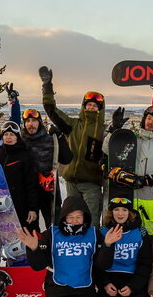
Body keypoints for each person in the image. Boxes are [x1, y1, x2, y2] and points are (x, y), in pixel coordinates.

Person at [21, 196, 101, 297]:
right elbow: (38, 266)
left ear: (85, 217)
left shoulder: (93, 234)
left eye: (78, 217)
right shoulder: (52, 234)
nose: (75, 221)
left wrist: (108, 245)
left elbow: (101, 264)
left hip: (84, 287)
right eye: (70, 217)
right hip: (58, 287)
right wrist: (34, 249)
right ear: (64, 217)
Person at [40, 66, 106, 221]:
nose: (91, 107)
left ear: (100, 109)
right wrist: (47, 86)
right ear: (84, 106)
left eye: (95, 105)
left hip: (92, 183)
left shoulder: (103, 131)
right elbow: (52, 111)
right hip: (71, 182)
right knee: (72, 219)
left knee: (91, 219)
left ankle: (93, 244)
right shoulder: (73, 125)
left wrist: (116, 128)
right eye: (88, 104)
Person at [110, 104, 153, 235]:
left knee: (152, 233)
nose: (151, 122)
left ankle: (151, 255)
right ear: (144, 118)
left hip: (152, 197)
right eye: (149, 118)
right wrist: (115, 129)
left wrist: (149, 179)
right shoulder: (131, 138)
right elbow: (108, 149)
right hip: (129, 195)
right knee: (129, 233)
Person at [93, 198, 153, 297]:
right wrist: (105, 284)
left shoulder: (140, 232)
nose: (120, 214)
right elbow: (98, 264)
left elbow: (145, 264)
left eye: (124, 210)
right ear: (111, 212)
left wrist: (133, 286)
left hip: (132, 277)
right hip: (111, 278)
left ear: (130, 212)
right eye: (116, 209)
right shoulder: (103, 231)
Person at [21, 106, 72, 229]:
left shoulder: (50, 140)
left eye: (33, 121)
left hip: (49, 189)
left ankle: (53, 246)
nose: (30, 124)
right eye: (27, 121)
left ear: (39, 122)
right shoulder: (21, 142)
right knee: (31, 226)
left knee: (54, 224)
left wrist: (60, 138)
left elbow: (67, 159)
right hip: (29, 190)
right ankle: (34, 248)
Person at [0, 121, 41, 231]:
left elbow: (31, 184)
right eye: (5, 134)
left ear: (17, 137)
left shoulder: (25, 156)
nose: (8, 137)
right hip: (4, 204)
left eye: (12, 135)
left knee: (27, 234)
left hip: (22, 204)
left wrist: (32, 208)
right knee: (9, 236)